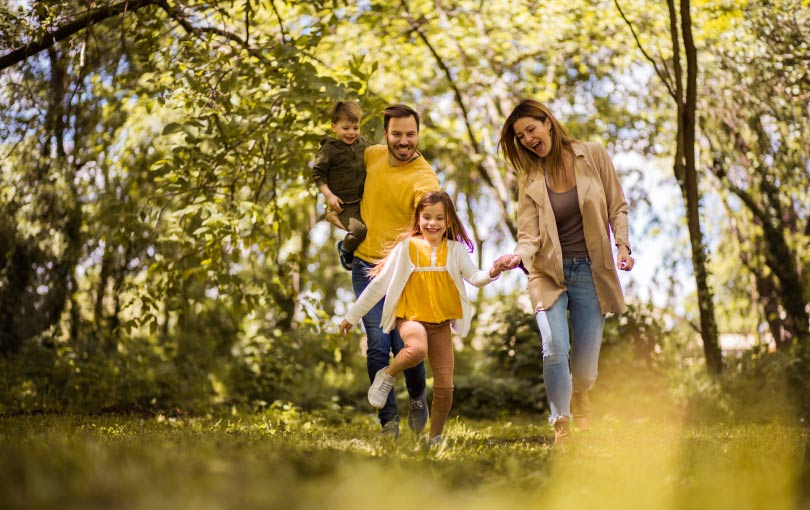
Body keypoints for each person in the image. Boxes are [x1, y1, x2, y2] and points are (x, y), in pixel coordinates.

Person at [493, 99, 634, 447]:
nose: (527, 139)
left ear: (548, 124)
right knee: (554, 346)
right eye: (520, 136)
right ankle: (562, 425)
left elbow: (617, 205)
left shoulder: (593, 155)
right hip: (546, 272)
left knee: (585, 369)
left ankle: (580, 394)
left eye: (531, 130)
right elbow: (529, 235)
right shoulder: (529, 179)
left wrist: (623, 246)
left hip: (590, 270)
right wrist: (515, 257)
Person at [341, 191, 504, 445]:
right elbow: (379, 284)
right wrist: (352, 316)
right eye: (427, 217)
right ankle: (386, 375)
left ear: (448, 221)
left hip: (440, 325)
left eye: (439, 218)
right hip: (411, 318)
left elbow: (476, 277)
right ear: (418, 219)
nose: (433, 223)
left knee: (445, 389)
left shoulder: (455, 250)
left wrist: (494, 270)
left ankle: (434, 438)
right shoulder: (407, 247)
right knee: (416, 350)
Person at [349, 104, 440, 438]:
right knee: (376, 343)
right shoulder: (372, 155)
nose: (404, 141)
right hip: (365, 265)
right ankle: (388, 421)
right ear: (385, 134)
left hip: (404, 272)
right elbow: (343, 168)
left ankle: (417, 396)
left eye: (411, 134)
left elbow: (431, 214)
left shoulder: (424, 177)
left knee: (405, 342)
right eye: (397, 134)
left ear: (418, 133)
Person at [311, 101, 370, 270]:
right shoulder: (330, 149)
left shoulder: (362, 143)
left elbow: (376, 155)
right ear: (334, 127)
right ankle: (345, 249)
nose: (351, 133)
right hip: (344, 204)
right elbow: (317, 174)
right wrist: (329, 196)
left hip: (363, 198)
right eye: (346, 128)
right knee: (360, 231)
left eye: (355, 128)